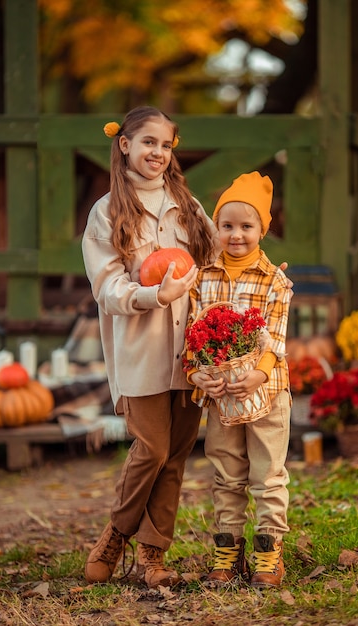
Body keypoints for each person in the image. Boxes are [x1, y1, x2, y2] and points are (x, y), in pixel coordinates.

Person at [81, 105, 218, 589]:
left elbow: (216, 258)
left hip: (191, 352)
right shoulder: (107, 213)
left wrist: (255, 265)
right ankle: (117, 533)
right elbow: (106, 287)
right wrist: (153, 295)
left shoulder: (187, 203)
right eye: (147, 143)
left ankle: (153, 556)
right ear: (125, 145)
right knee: (152, 449)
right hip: (142, 351)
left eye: (165, 145)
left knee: (177, 455)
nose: (157, 153)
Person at [186, 171, 292, 588]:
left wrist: (258, 374)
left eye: (246, 226)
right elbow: (192, 337)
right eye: (226, 225)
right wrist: (198, 374)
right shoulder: (202, 277)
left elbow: (276, 339)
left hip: (266, 392)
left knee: (267, 474)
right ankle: (228, 550)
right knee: (227, 472)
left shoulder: (275, 281)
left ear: (262, 229)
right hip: (221, 398)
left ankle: (269, 551)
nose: (235, 235)